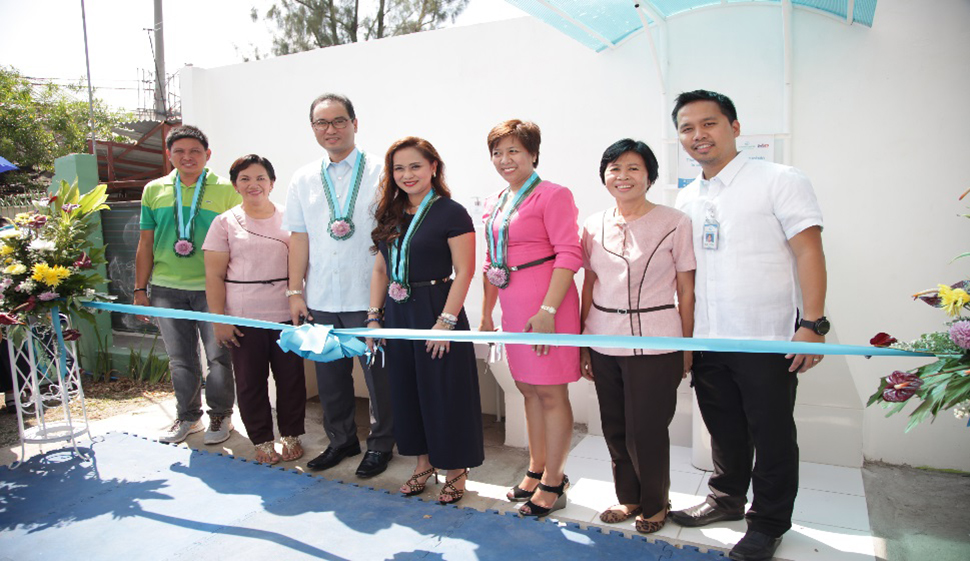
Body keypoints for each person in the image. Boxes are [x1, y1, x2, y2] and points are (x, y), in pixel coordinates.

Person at [670, 90, 828, 561]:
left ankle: (768, 523)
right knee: (723, 428)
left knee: (773, 433)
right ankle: (725, 500)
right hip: (709, 338)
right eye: (686, 128)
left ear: (735, 128)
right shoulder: (686, 195)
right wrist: (687, 340)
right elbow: (689, 274)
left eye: (710, 123)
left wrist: (813, 323)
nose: (698, 135)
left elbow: (809, 251)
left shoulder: (779, 179)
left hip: (766, 337)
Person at [579, 139, 695, 534]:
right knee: (615, 426)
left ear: (649, 176)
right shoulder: (592, 225)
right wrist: (582, 340)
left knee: (646, 428)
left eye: (633, 168)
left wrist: (687, 346)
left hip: (657, 339)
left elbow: (687, 291)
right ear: (604, 176)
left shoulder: (675, 222)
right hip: (601, 337)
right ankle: (627, 496)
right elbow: (588, 283)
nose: (623, 176)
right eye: (614, 168)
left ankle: (655, 503)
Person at [367, 137, 483, 505]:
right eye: (398, 168)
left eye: (415, 166)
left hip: (437, 309)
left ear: (433, 166)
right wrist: (374, 318)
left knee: (445, 392)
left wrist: (446, 322)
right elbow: (381, 268)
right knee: (406, 391)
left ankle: (456, 471)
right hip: (399, 312)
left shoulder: (451, 212)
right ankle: (422, 464)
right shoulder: (391, 213)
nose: (407, 175)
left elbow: (465, 271)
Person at [283, 93, 394, 478]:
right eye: (321, 123)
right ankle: (341, 440)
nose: (330, 130)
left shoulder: (383, 171)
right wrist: (295, 291)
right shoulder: (302, 178)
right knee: (330, 378)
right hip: (321, 296)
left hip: (369, 296)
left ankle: (381, 446)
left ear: (355, 123)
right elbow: (299, 237)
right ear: (313, 128)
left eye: (338, 121)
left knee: (379, 378)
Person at [480, 119, 582, 517]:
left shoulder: (554, 195)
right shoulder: (493, 202)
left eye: (513, 151)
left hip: (547, 308)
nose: (504, 160)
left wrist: (548, 311)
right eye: (497, 152)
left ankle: (556, 482)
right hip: (513, 308)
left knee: (552, 393)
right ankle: (536, 468)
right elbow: (492, 262)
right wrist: (488, 313)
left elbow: (569, 254)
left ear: (533, 154)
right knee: (527, 389)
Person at [135, 125, 240, 445]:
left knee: (219, 357)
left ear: (208, 155)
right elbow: (145, 243)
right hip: (166, 288)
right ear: (169, 156)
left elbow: (238, 240)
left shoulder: (226, 189)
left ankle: (221, 416)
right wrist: (140, 290)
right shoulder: (154, 190)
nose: (187, 157)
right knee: (180, 358)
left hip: (213, 289)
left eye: (195, 151)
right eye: (179, 151)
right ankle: (188, 416)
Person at [203, 154, 306, 465]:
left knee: (291, 379)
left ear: (272, 183)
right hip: (243, 317)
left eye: (260, 178)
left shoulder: (292, 218)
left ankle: (291, 435)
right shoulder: (224, 223)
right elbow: (214, 276)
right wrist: (219, 321)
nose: (253, 184)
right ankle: (261, 440)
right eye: (245, 178)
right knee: (250, 382)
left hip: (286, 314)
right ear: (235, 185)